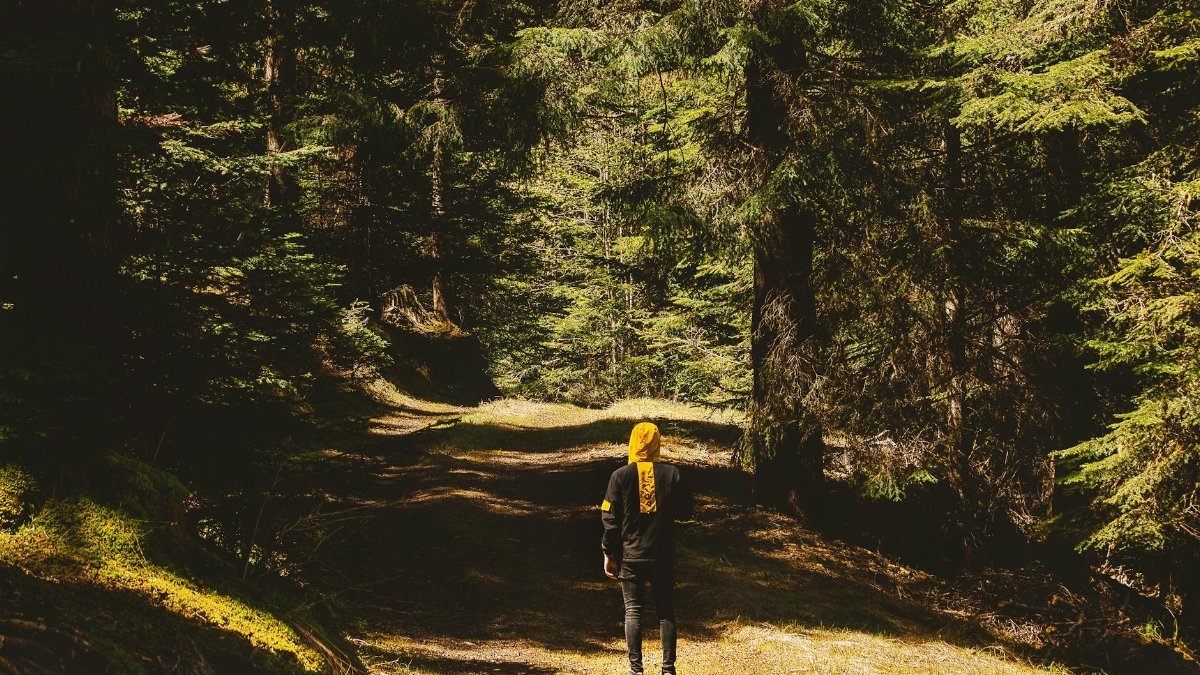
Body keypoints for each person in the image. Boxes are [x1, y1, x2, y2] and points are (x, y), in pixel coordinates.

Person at [600, 422, 692, 675]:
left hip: (630, 556)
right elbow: (686, 510)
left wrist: (609, 552)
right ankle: (668, 669)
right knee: (666, 611)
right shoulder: (672, 474)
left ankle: (635, 670)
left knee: (633, 611)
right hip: (662, 555)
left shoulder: (619, 476)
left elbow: (609, 519)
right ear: (657, 442)